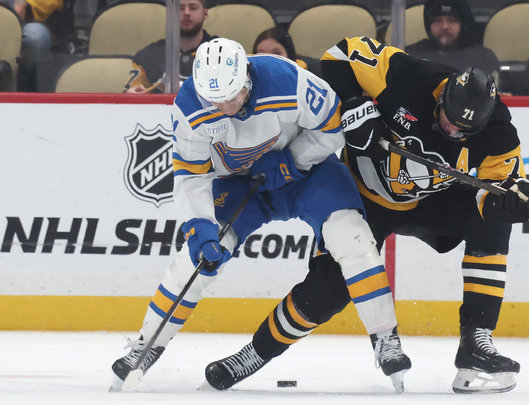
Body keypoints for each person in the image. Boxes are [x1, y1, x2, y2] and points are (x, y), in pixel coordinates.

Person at [227, 36, 529, 395]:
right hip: (361, 198)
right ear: (442, 97)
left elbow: (502, 187)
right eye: (448, 120)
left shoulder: (499, 132)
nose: (452, 130)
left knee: (495, 222)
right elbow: (339, 54)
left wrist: (509, 202)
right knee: (326, 293)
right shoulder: (410, 76)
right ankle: (255, 353)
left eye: (463, 131)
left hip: (431, 201)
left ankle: (475, 343)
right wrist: (354, 103)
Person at [111, 38, 411, 393]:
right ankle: (146, 344)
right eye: (215, 100)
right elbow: (190, 175)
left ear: (247, 77)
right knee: (196, 259)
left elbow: (332, 127)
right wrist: (200, 226)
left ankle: (385, 339)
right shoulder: (190, 106)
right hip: (238, 184)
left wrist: (292, 161)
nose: (224, 107)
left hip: (306, 173)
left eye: (231, 96)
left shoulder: (287, 79)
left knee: (353, 237)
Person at [124, 0, 215, 93]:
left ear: (205, 13)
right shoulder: (148, 55)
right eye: (180, 8)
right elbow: (130, 93)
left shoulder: (221, 52)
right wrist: (131, 94)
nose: (186, 13)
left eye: (193, 8)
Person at [405, 0, 499, 76]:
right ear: (428, 26)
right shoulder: (411, 57)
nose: (444, 27)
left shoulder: (483, 58)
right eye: (438, 21)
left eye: (452, 20)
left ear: (463, 25)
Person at [252, 27, 318, 74]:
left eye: (277, 53)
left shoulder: (305, 75)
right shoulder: (247, 80)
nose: (270, 60)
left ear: (289, 54)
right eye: (262, 55)